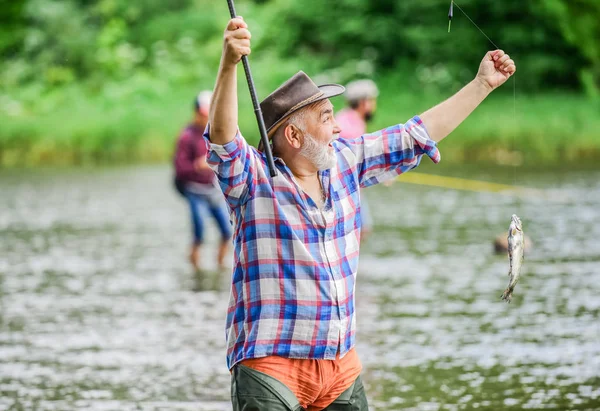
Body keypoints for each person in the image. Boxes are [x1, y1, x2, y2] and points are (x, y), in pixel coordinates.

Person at [206, 17, 516, 411]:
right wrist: (229, 63)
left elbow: (415, 134)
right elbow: (224, 140)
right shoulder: (254, 180)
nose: (337, 128)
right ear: (293, 136)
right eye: (326, 118)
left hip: (340, 368)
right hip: (270, 364)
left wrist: (482, 84)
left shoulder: (346, 163)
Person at [173, 91, 232, 271]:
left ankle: (221, 265)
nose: (206, 119)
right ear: (196, 113)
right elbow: (180, 168)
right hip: (194, 190)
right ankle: (195, 267)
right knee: (199, 231)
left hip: (213, 190)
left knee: (227, 230)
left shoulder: (215, 133)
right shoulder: (186, 137)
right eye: (203, 115)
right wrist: (198, 166)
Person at [335, 79, 380, 239]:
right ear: (363, 102)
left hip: (349, 186)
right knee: (360, 230)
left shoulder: (344, 117)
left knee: (361, 230)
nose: (374, 105)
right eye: (372, 100)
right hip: (346, 188)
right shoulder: (351, 126)